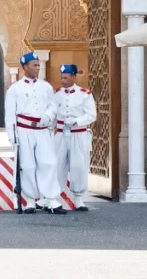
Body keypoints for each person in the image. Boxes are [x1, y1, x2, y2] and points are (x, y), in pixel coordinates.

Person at [5, 52, 65, 214]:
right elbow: (10, 115)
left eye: (38, 65)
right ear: (25, 67)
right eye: (34, 65)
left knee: (49, 162)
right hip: (24, 131)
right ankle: (30, 200)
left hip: (42, 130)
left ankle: (50, 199)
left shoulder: (46, 87)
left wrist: (46, 117)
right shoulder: (15, 89)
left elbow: (53, 106)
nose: (37, 68)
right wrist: (12, 136)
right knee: (27, 165)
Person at [53, 65, 96, 211]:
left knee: (78, 166)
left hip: (78, 133)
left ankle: (79, 199)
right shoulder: (56, 94)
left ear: (73, 77)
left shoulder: (85, 94)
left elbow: (91, 115)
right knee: (58, 165)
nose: (63, 81)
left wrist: (76, 121)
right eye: (62, 77)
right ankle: (55, 198)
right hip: (60, 134)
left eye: (66, 78)